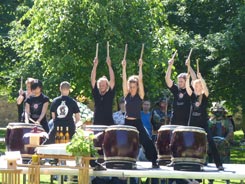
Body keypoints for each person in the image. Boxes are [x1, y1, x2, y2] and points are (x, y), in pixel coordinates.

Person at [122, 58, 158, 168]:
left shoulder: (140, 96)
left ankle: (154, 161)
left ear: (137, 87)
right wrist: (123, 67)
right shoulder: (126, 95)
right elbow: (124, 80)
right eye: (130, 87)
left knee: (146, 141)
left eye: (134, 87)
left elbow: (140, 80)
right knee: (124, 142)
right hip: (127, 122)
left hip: (137, 122)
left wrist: (140, 66)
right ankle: (125, 161)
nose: (132, 88)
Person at [186, 72, 224, 171]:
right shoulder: (192, 96)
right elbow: (187, 87)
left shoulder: (205, 96)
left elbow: (206, 89)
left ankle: (218, 164)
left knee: (211, 141)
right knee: (189, 143)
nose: (198, 87)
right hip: (192, 124)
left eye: (200, 85)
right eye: (196, 85)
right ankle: (190, 162)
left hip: (203, 124)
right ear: (194, 86)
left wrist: (201, 78)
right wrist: (188, 78)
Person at [165, 57, 197, 126]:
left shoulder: (190, 89)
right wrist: (170, 66)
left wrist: (189, 66)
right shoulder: (176, 89)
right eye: (178, 81)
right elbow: (167, 79)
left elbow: (194, 78)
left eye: (181, 81)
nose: (179, 83)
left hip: (186, 123)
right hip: (174, 121)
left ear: (186, 81)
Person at [91, 56, 115, 126]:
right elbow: (92, 79)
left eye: (103, 85)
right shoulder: (96, 93)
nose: (102, 86)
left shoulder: (110, 94)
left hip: (108, 124)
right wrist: (95, 66)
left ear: (107, 85)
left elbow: (112, 80)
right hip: (97, 123)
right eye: (100, 85)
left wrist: (109, 65)